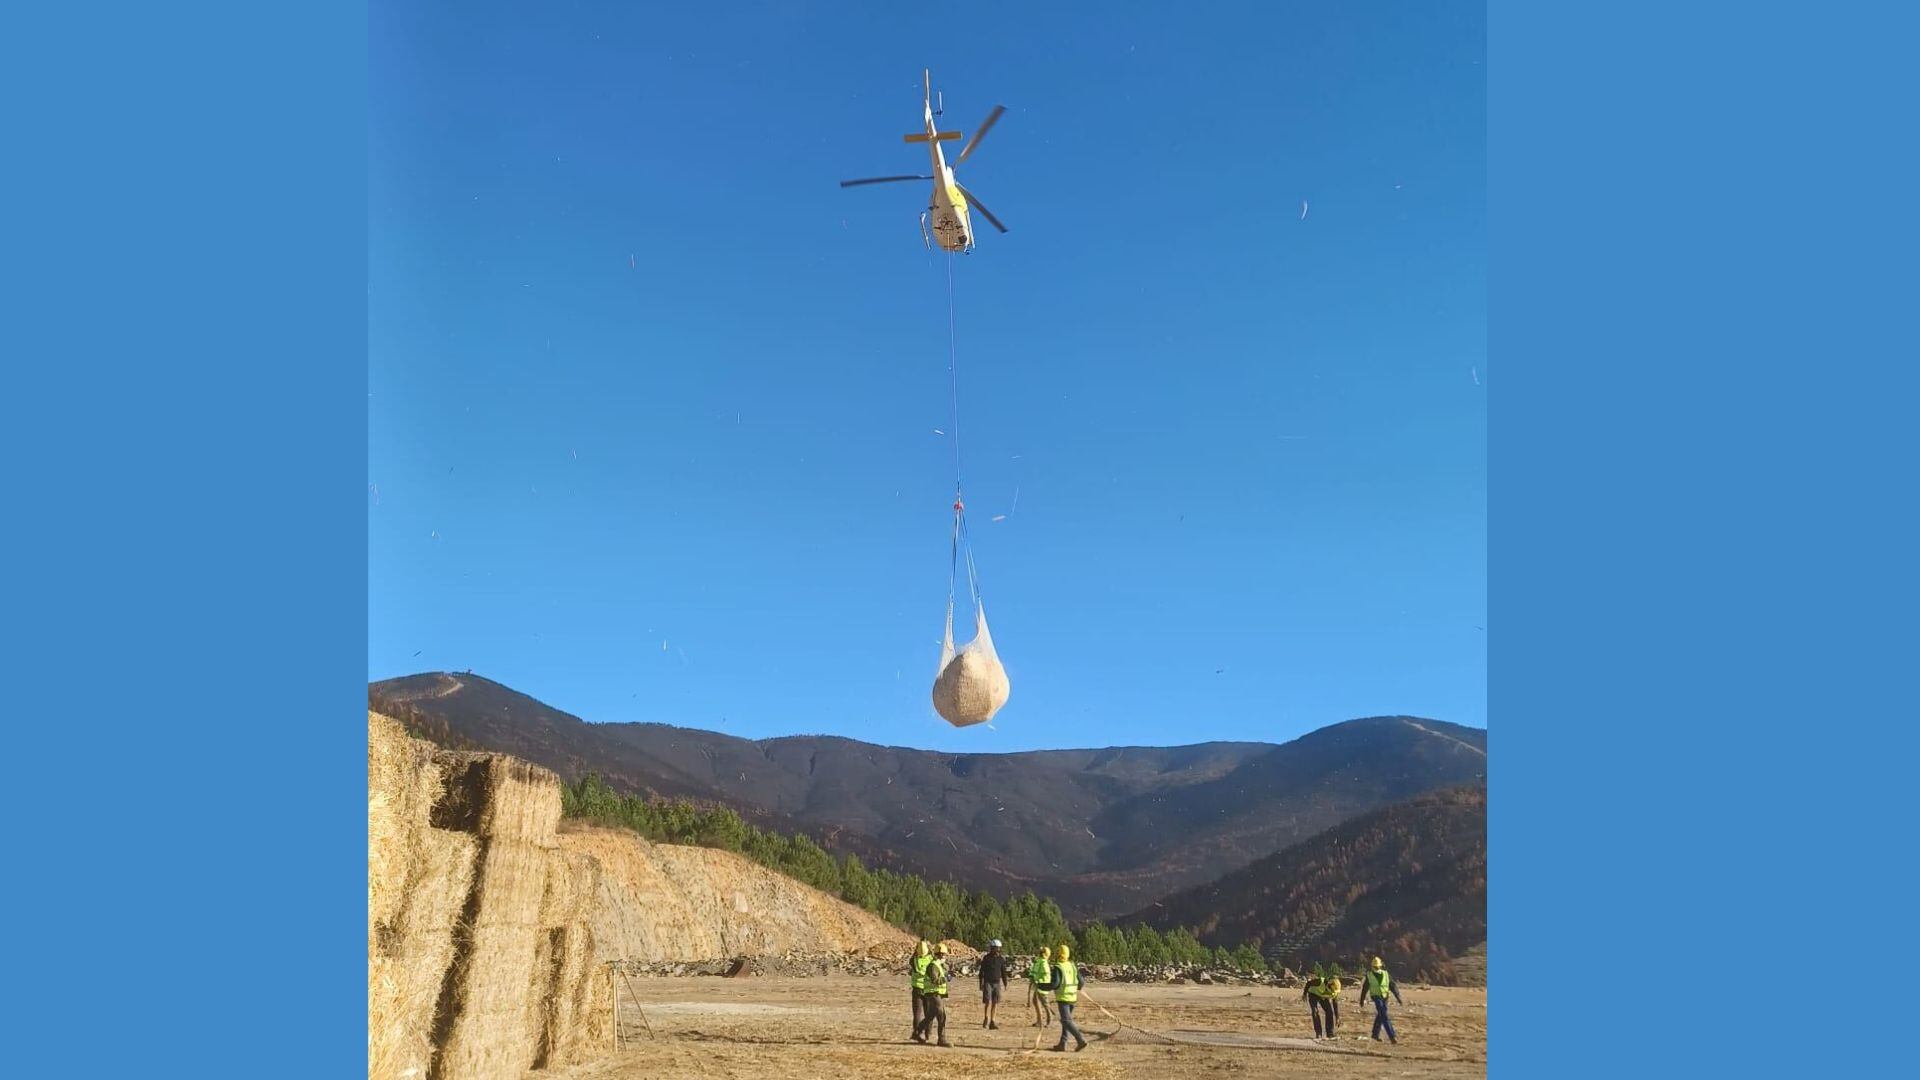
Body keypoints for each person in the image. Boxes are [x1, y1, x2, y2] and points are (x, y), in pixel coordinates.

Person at [1042, 942, 1088, 1052]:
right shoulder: (1072, 966)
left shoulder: (1058, 967)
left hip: (1063, 998)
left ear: (1059, 954)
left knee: (1066, 1021)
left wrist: (1041, 986)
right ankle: (1063, 1043)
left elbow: (1055, 984)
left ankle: (1080, 1039)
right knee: (1066, 1021)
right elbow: (1081, 982)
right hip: (1072, 997)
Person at [913, 942, 953, 1046]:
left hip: (937, 993)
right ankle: (941, 1039)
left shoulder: (938, 965)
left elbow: (943, 971)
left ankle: (917, 1032)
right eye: (944, 955)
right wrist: (946, 978)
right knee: (941, 1015)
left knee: (931, 1015)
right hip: (933, 993)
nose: (945, 957)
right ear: (939, 954)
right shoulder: (933, 966)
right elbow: (935, 980)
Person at [1361, 956, 1403, 1044]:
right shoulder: (1369, 975)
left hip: (1385, 997)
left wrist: (1398, 997)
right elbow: (1365, 988)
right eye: (1375, 967)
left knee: (1380, 1015)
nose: (1376, 968)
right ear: (1372, 967)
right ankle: (1392, 1036)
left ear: (1380, 966)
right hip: (1376, 997)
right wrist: (1362, 999)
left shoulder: (1386, 974)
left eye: (1377, 967)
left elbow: (1393, 986)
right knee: (1384, 1015)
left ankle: (1375, 1034)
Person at [978, 939, 1011, 1029]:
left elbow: (1003, 972)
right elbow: (981, 972)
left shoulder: (1001, 959)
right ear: (992, 948)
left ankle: (992, 1021)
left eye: (998, 948)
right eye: (995, 948)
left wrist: (1005, 983)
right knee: (987, 1001)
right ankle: (986, 1018)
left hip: (997, 983)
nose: (997, 950)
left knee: (995, 1002)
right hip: (988, 983)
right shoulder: (986, 958)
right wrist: (981, 983)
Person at [907, 940, 932, 1041]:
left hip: (917, 989)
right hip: (928, 988)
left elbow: (912, 960)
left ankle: (917, 1033)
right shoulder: (931, 959)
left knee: (917, 1013)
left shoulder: (914, 960)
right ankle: (928, 1033)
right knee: (929, 1013)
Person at [1027, 946, 1054, 1027]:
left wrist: (1039, 982)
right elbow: (1034, 971)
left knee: (1045, 1003)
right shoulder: (1039, 961)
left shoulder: (1043, 962)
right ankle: (1039, 1020)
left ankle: (1050, 1020)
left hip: (1042, 986)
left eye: (1041, 951)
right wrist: (1031, 976)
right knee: (1035, 1001)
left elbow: (1046, 975)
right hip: (1037, 985)